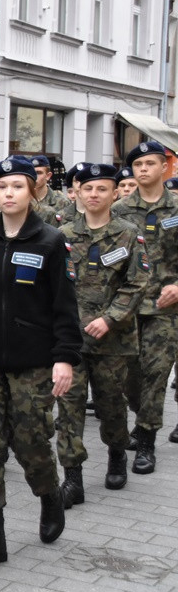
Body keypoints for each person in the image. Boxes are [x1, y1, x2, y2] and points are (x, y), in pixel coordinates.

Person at [0, 156, 81, 573]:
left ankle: (49, 497)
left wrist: (65, 358)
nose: (9, 194)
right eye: (3, 187)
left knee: (31, 443)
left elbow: (66, 307)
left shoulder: (50, 240)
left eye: (18, 186)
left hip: (33, 362)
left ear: (31, 192)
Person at [56, 162, 148, 505]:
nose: (94, 195)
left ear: (113, 194)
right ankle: (73, 478)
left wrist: (110, 318)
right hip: (71, 339)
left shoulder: (128, 233)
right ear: (77, 192)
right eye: (88, 188)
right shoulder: (62, 234)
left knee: (111, 406)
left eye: (102, 189)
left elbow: (138, 282)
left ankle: (116, 454)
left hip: (113, 340)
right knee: (69, 408)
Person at [112, 141, 178, 470]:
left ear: (164, 167)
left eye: (150, 164)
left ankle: (147, 441)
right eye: (138, 165)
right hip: (128, 305)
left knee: (156, 372)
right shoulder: (120, 210)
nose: (143, 170)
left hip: (166, 307)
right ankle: (142, 419)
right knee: (130, 376)